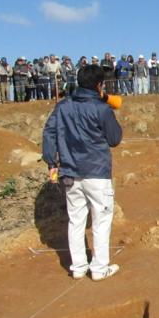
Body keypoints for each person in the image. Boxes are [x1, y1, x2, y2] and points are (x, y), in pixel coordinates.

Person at [42, 64, 123, 281]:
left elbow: (49, 132)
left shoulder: (62, 107)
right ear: (99, 85)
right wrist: (108, 105)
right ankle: (99, 268)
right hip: (97, 172)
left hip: (69, 171)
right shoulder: (102, 108)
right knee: (101, 219)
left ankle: (78, 267)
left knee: (76, 220)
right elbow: (115, 139)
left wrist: (51, 162)